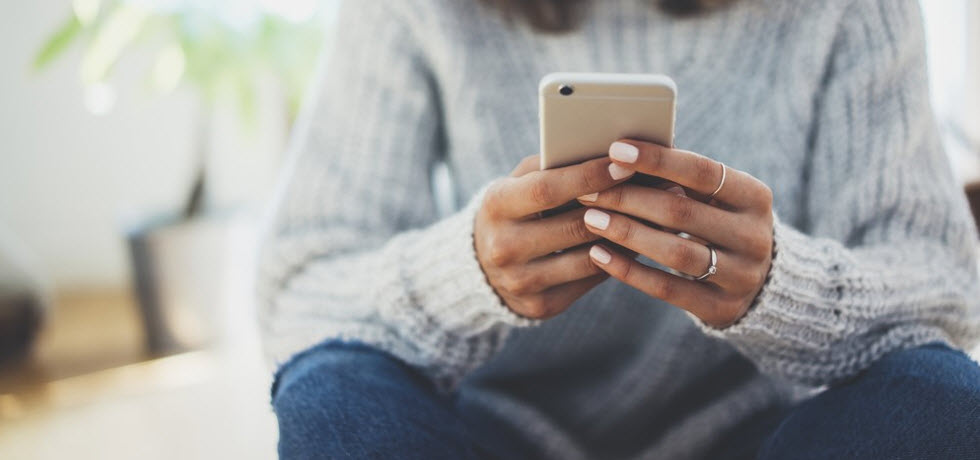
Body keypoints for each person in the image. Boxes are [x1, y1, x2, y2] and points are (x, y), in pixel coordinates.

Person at [258, 0, 980, 458]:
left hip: (756, 435)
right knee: (332, 394)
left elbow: (943, 290)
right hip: (488, 432)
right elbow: (299, 294)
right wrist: (468, 272)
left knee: (939, 396)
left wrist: (778, 286)